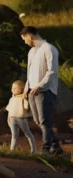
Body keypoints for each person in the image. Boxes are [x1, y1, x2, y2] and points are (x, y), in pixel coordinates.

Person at [21, 26, 63, 155]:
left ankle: (45, 149)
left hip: (45, 90)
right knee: (39, 121)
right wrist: (26, 88)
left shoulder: (49, 49)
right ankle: (56, 146)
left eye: (24, 39)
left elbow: (52, 71)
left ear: (30, 36)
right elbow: (30, 72)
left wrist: (40, 86)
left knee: (44, 121)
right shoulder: (31, 52)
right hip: (31, 90)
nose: (24, 42)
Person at [6, 80, 37, 153]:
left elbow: (26, 107)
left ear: (21, 89)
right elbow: (10, 110)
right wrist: (8, 119)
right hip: (13, 119)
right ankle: (12, 150)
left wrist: (25, 99)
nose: (13, 89)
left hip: (21, 119)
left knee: (28, 134)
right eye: (12, 88)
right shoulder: (12, 99)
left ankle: (34, 150)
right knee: (14, 135)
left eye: (15, 88)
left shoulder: (22, 98)